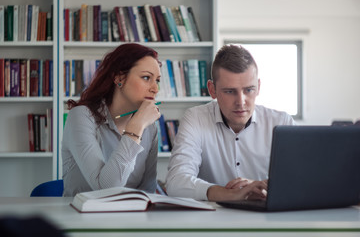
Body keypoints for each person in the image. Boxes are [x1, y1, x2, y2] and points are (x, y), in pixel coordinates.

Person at [165, 44, 296, 202]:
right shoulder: (195, 118)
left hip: (266, 218)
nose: (241, 102)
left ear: (259, 87)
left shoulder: (281, 122)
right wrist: (229, 194)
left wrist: (256, 186)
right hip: (212, 219)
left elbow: (300, 180)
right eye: (230, 91)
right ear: (212, 90)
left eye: (249, 90)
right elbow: (175, 182)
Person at [62, 43, 162, 197]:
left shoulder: (150, 128)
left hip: (130, 218)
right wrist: (135, 128)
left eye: (158, 80)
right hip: (81, 218)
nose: (155, 89)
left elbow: (147, 192)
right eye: (146, 77)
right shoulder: (81, 117)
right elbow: (105, 189)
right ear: (119, 78)